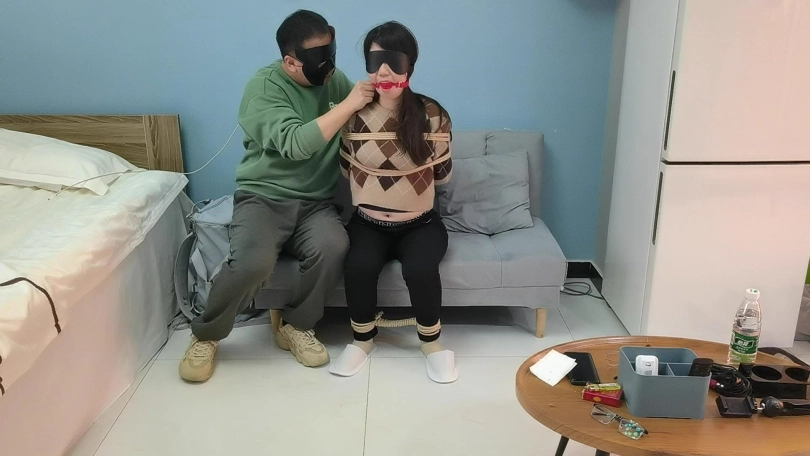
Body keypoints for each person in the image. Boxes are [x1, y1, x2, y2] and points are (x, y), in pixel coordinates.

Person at [179, 10, 375, 382]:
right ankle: (205, 334)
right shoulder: (263, 89)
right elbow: (295, 143)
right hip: (264, 197)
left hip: (316, 202)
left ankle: (296, 325)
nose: (329, 67)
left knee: (334, 246)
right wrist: (350, 104)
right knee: (253, 263)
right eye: (319, 60)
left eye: (331, 54)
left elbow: (365, 116)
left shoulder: (333, 80)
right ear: (290, 62)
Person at [329, 21, 457, 383]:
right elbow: (346, 170)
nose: (383, 71)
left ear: (409, 65)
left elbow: (443, 177)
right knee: (359, 266)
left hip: (420, 224)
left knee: (420, 269)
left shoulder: (433, 114)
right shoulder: (353, 113)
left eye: (393, 60)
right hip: (368, 224)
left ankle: (431, 343)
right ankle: (362, 340)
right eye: (375, 61)